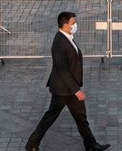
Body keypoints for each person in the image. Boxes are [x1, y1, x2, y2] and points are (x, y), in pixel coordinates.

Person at [26, 12, 109, 151]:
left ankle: (91, 145)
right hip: (62, 90)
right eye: (73, 23)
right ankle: (31, 144)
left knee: (81, 117)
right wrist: (77, 90)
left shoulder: (67, 38)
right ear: (65, 25)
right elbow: (62, 70)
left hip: (70, 88)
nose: (75, 25)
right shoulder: (59, 43)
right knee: (50, 117)